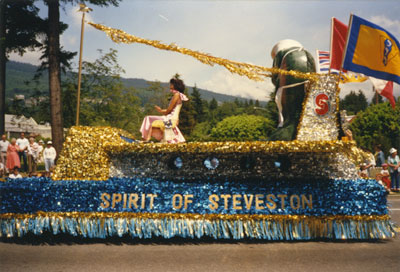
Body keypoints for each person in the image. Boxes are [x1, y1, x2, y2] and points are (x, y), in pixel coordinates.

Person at [140, 77, 189, 143]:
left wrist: (164, 112)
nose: (170, 85)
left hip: (170, 119)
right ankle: (151, 139)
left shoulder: (176, 95)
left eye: (171, 84)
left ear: (175, 85)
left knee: (148, 119)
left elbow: (169, 110)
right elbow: (171, 110)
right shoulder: (178, 95)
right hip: (172, 119)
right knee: (153, 127)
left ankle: (145, 139)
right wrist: (161, 111)